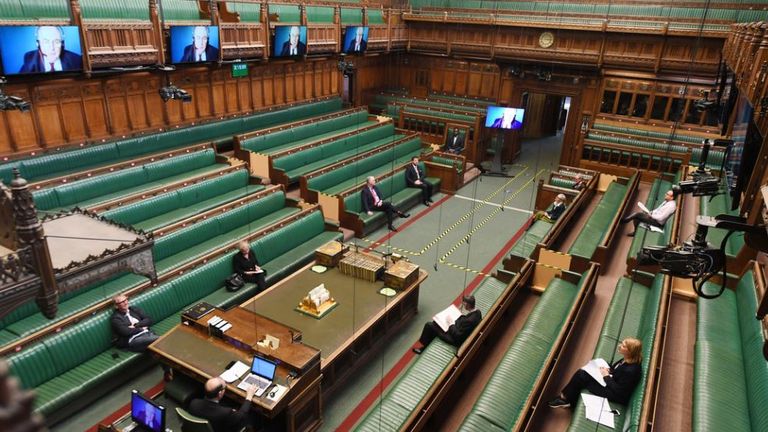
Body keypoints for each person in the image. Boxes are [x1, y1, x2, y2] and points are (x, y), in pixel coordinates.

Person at [548, 338, 643, 409]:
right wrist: (609, 370)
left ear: (630, 351)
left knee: (582, 376)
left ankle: (565, 399)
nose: (619, 346)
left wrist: (606, 376)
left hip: (615, 395)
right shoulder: (628, 358)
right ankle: (566, 398)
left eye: (623, 346)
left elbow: (620, 391)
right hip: (611, 382)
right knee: (583, 372)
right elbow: (618, 371)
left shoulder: (631, 371)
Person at [111, 294, 173, 380]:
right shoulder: (115, 318)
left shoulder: (134, 309)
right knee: (160, 340)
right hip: (134, 340)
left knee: (156, 348)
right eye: (122, 302)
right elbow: (125, 332)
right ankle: (173, 368)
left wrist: (137, 325)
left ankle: (167, 371)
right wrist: (140, 329)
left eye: (126, 300)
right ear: (116, 306)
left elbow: (149, 319)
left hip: (147, 335)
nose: (125, 303)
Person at [412, 295, 481, 354]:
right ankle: (428, 343)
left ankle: (424, 348)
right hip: (459, 329)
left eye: (464, 303)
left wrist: (451, 324)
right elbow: (466, 321)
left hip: (454, 339)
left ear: (467, 304)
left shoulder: (469, 321)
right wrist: (459, 315)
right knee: (435, 323)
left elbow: (458, 336)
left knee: (429, 325)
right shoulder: (477, 312)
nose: (463, 304)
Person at [188, 377, 257, 432]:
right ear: (220, 393)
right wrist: (249, 396)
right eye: (225, 388)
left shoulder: (194, 403)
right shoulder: (225, 413)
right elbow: (242, 415)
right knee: (252, 418)